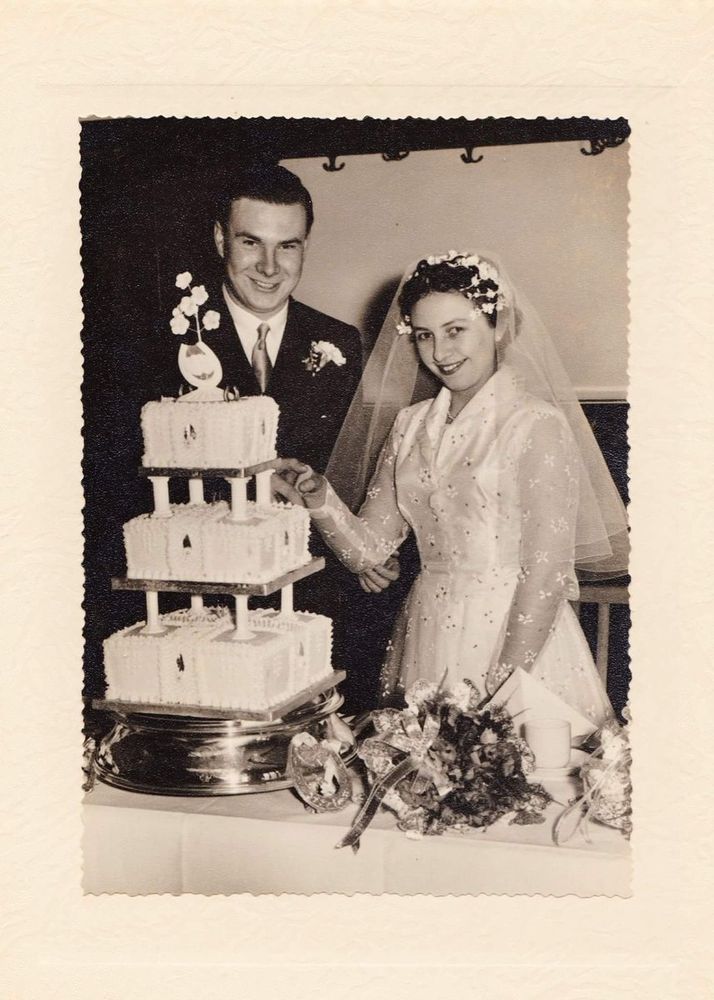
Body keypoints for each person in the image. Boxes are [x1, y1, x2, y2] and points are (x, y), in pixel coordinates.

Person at [271, 251, 629, 723]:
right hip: (428, 633)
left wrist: (501, 694)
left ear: (499, 326)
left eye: (456, 330)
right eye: (424, 335)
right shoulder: (409, 426)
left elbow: (544, 576)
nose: (440, 352)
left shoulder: (535, 424)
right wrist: (319, 499)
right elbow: (371, 552)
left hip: (518, 643)